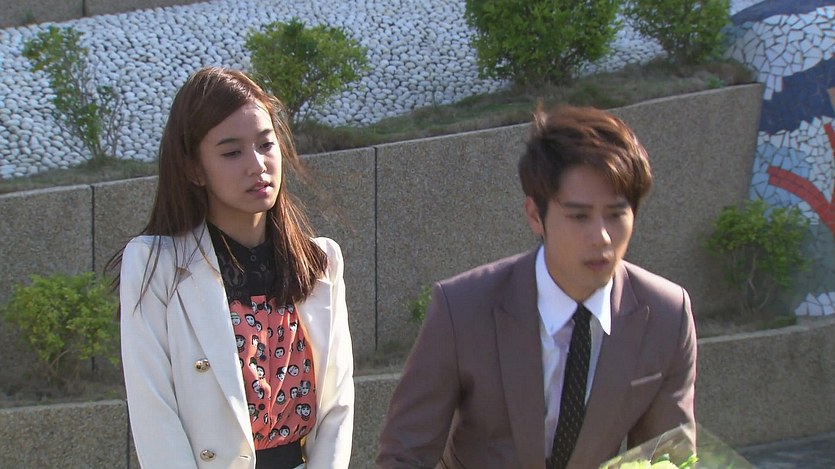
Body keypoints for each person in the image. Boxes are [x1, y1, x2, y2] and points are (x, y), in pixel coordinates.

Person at [377, 105, 697, 468]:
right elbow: (404, 454)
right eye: (579, 216)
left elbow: (671, 458)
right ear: (535, 215)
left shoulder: (666, 315)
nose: (602, 237)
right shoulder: (462, 308)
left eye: (616, 214)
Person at [110, 67, 354, 469]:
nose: (257, 165)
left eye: (266, 144)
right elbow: (154, 413)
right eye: (231, 152)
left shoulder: (319, 261)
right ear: (194, 168)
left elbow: (337, 405)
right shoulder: (157, 266)